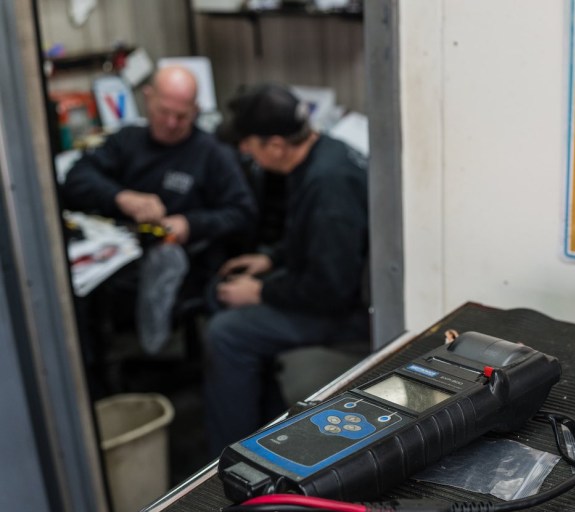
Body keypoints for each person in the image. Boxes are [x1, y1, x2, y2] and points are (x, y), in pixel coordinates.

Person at [203, 83, 370, 455]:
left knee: (226, 334)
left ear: (276, 145)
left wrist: (260, 291)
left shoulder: (329, 185)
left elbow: (331, 289)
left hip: (350, 311)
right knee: (223, 297)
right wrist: (272, 260)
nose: (246, 153)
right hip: (329, 287)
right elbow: (312, 239)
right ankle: (266, 421)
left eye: (250, 146)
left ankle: (234, 459)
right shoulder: (321, 153)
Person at [61, 65, 257, 282]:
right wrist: (120, 197)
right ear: (148, 98)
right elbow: (76, 178)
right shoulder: (126, 140)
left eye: (181, 116)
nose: (171, 123)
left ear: (195, 109)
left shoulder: (214, 154)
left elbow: (243, 212)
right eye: (163, 112)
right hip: (115, 255)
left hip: (180, 264)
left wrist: (191, 224)